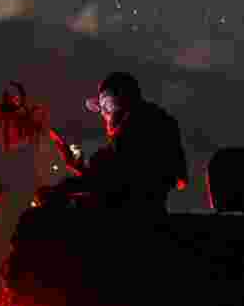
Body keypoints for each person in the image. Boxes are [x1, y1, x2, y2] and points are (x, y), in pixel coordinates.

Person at [42, 72, 189, 214]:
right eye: (101, 108)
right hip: (145, 213)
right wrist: (80, 168)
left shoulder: (142, 126)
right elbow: (113, 180)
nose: (103, 114)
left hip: (132, 221)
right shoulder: (157, 122)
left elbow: (122, 184)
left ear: (121, 100)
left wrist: (64, 187)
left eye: (106, 105)